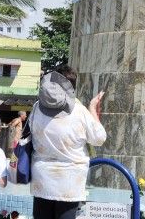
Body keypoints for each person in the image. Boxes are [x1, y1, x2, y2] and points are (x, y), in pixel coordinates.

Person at [30, 66, 106, 219]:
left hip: (42, 179)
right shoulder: (79, 111)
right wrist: (92, 108)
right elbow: (99, 138)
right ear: (71, 87)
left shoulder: (37, 107)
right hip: (69, 183)